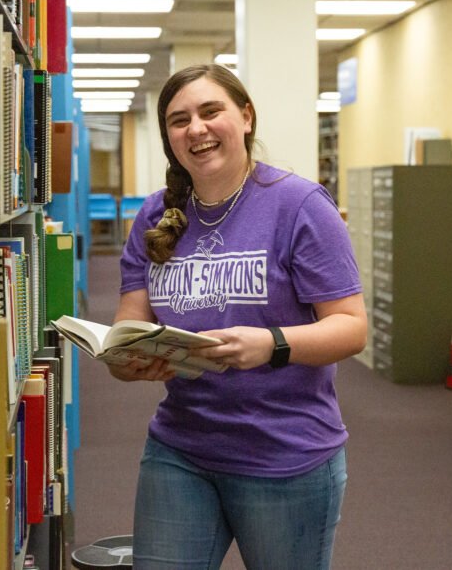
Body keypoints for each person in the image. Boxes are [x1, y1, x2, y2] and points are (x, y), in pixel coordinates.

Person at [111, 63, 367, 569]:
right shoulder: (154, 214)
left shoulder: (299, 205)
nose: (197, 129)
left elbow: (351, 327)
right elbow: (127, 329)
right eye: (179, 120)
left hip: (285, 454)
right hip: (180, 447)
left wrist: (271, 344)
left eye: (211, 112)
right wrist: (128, 360)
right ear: (168, 137)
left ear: (246, 117)